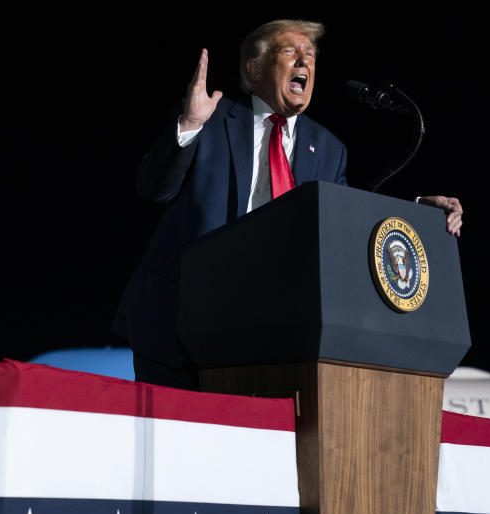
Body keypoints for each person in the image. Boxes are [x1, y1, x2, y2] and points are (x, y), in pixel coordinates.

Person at [113, 19, 464, 390]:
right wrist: (189, 124)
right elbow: (154, 189)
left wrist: (414, 210)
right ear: (255, 68)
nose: (304, 62)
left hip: (271, 332)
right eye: (290, 52)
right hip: (181, 323)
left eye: (310, 55)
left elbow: (347, 222)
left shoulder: (329, 149)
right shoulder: (212, 119)